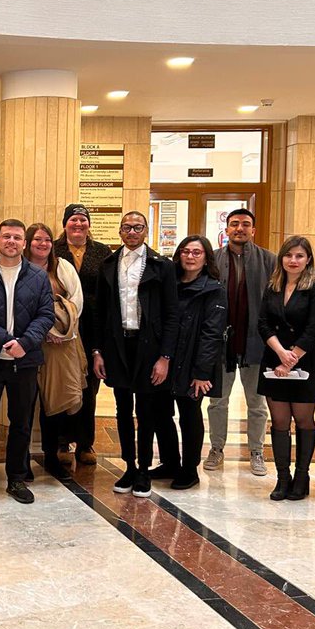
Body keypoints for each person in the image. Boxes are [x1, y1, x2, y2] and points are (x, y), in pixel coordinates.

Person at [89, 211, 179, 499]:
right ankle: (128, 466)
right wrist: (97, 351)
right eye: (126, 227)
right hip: (117, 346)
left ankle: (143, 469)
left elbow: (172, 315)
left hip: (149, 347)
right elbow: (99, 313)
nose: (131, 232)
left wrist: (165, 356)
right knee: (122, 410)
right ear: (119, 232)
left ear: (146, 231)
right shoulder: (108, 265)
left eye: (137, 227)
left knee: (147, 411)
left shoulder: (162, 266)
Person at [0, 219, 54, 505]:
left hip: (25, 362)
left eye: (17, 237)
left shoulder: (38, 277)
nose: (11, 242)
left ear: (24, 243)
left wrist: (25, 343)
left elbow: (46, 316)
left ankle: (16, 478)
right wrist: (5, 340)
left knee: (21, 422)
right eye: (6, 237)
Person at [258, 235, 315, 502]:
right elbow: (263, 323)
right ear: (282, 259)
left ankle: (302, 476)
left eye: (299, 256)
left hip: (304, 360)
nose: (293, 260)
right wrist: (280, 354)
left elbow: (314, 327)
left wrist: (293, 357)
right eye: (289, 255)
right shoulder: (272, 286)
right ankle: (282, 477)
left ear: (308, 259)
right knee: (278, 421)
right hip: (274, 360)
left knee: (303, 420)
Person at [207, 208, 276, 477]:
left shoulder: (269, 260)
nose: (240, 229)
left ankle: (256, 451)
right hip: (221, 344)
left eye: (245, 224)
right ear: (226, 229)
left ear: (253, 230)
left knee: (257, 403)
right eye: (234, 224)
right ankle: (216, 448)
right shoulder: (213, 259)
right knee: (217, 401)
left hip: (256, 343)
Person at [52, 204, 112, 467]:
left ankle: (85, 442)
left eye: (83, 220)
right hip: (61, 324)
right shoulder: (53, 249)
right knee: (64, 380)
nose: (78, 224)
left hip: (93, 324)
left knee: (89, 384)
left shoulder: (102, 252)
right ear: (65, 224)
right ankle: (62, 439)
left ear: (89, 224)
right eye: (73, 220)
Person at [166, 236, 227, 490]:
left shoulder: (214, 289)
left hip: (196, 364)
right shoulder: (170, 285)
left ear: (206, 258)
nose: (190, 257)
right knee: (162, 413)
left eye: (197, 252)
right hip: (168, 360)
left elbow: (212, 334)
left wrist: (202, 372)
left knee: (189, 415)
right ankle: (171, 463)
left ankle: (189, 469)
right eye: (186, 252)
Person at [26, 222, 85, 479]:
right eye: (37, 239)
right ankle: (20, 461)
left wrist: (61, 331)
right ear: (28, 243)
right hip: (27, 344)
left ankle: (53, 456)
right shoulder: (18, 266)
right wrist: (40, 331)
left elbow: (76, 303)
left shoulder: (63, 267)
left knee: (57, 401)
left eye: (47, 240)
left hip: (60, 344)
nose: (43, 244)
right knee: (26, 404)